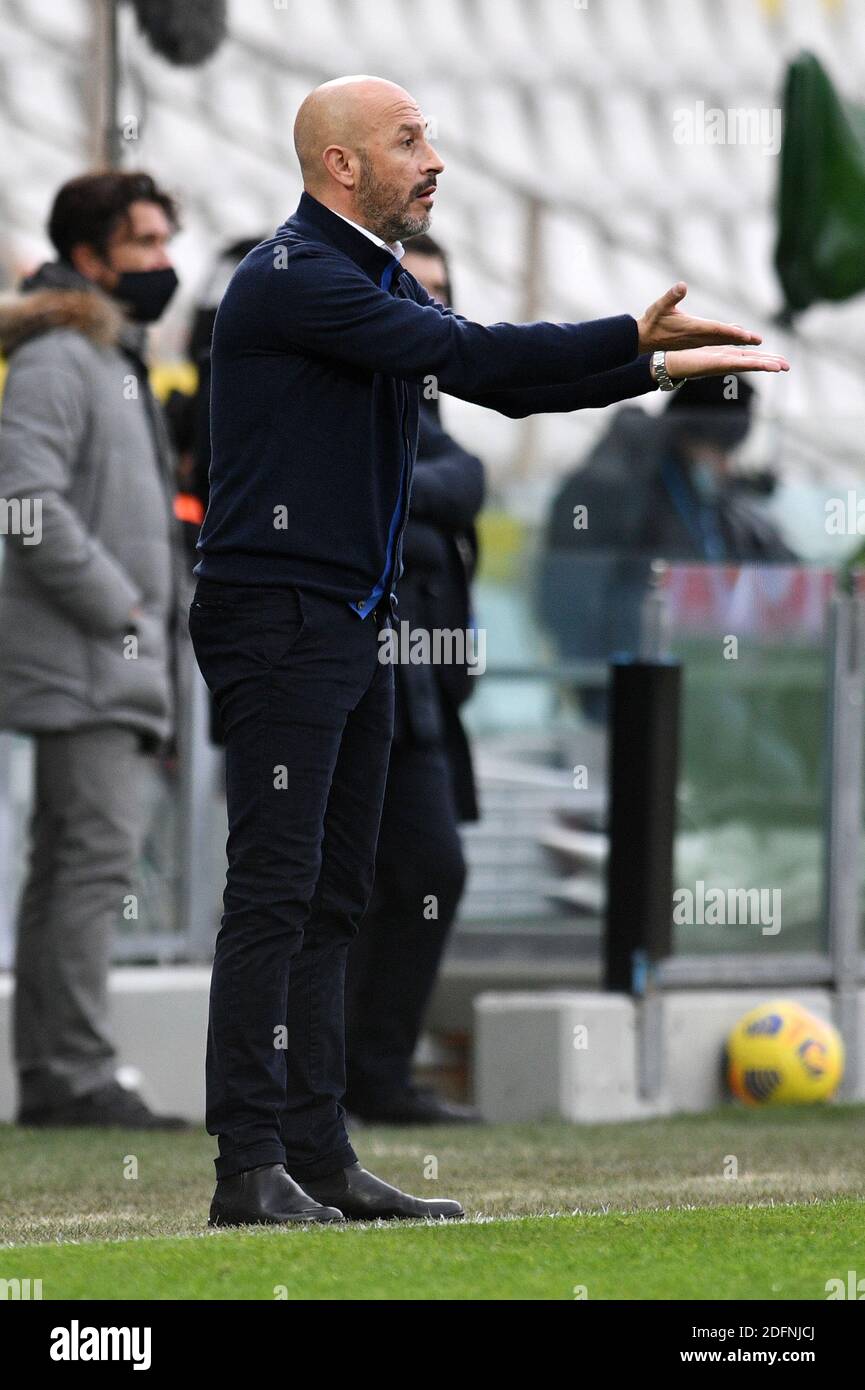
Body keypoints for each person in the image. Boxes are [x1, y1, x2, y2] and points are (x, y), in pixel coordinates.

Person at [189, 73, 790, 1228]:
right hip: (281, 618)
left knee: (333, 895)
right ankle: (245, 1166)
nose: (436, 156)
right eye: (408, 138)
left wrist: (644, 365)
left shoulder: (356, 274)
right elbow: (483, 362)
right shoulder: (294, 276)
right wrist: (630, 340)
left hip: (348, 620)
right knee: (274, 891)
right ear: (341, 165)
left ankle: (316, 1156)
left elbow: (494, 393)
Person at [0, 171, 190, 1129]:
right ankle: (75, 1070)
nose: (164, 263)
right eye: (144, 244)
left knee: (69, 865)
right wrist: (121, 607)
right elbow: (24, 503)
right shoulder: (59, 357)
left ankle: (52, 1074)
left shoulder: (104, 352)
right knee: (91, 864)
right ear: (88, 256)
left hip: (107, 658)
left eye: (165, 242)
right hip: (85, 660)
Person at [343, 233, 484, 1125]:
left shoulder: (426, 400)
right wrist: (424, 501)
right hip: (352, 672)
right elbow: (379, 491)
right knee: (334, 884)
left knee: (428, 871)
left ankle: (375, 1075)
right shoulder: (355, 378)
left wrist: (423, 501)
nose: (428, 308)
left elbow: (460, 479)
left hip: (424, 689)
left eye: (440, 293)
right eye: (412, 291)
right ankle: (320, 1085)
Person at [537, 374, 796, 716]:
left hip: (696, 677)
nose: (724, 465)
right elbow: (568, 588)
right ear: (686, 436)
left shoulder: (709, 502)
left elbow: (772, 563)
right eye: (717, 451)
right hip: (625, 686)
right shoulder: (620, 489)